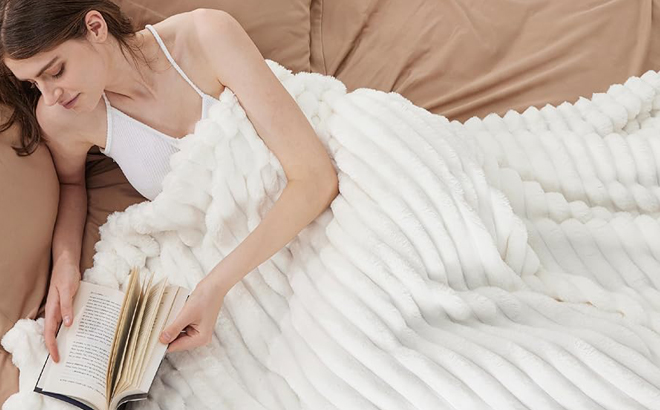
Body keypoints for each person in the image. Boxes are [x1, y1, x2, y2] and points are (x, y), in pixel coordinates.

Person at [0, 0, 338, 363]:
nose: (49, 95)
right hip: (231, 248)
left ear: (96, 28)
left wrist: (215, 286)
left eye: (56, 71)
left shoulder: (206, 36)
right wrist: (64, 262)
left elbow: (314, 178)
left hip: (320, 204)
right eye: (34, 83)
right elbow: (70, 185)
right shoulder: (62, 118)